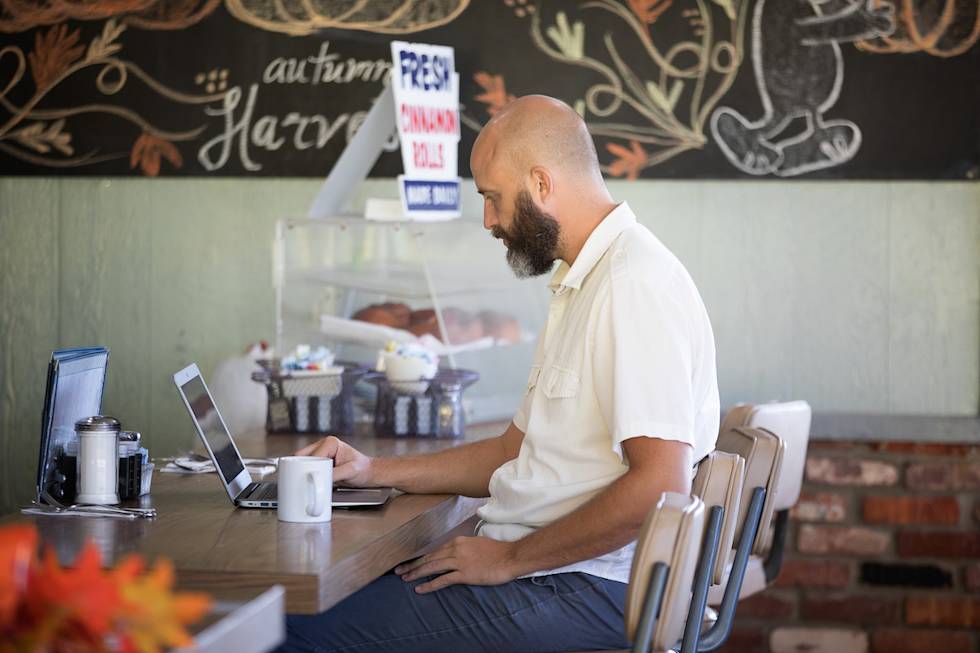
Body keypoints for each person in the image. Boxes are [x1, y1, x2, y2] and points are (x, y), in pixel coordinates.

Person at [282, 95, 719, 653]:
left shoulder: (631, 285)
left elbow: (660, 484)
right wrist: (372, 470)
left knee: (293, 630)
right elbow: (513, 451)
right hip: (559, 570)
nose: (488, 220)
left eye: (493, 198)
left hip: (590, 584)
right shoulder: (587, 280)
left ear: (540, 183)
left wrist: (508, 559)